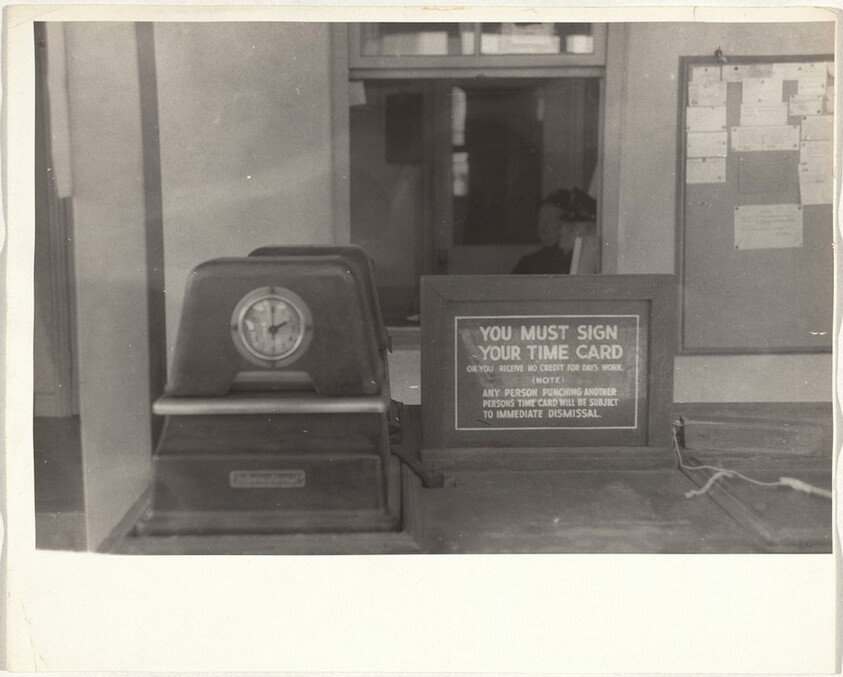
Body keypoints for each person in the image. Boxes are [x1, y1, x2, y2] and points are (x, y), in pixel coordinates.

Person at [512, 188, 598, 275]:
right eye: (540, 219)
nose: (543, 226)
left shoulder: (578, 258)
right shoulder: (528, 263)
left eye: (550, 219)